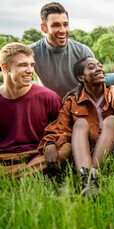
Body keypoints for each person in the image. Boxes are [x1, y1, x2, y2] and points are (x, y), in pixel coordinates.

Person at [37, 57, 114, 196]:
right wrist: (50, 143)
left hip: (112, 147)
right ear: (81, 77)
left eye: (100, 66)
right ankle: (89, 182)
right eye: (91, 67)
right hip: (85, 148)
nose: (99, 69)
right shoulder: (73, 100)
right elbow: (61, 125)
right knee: (80, 123)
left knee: (112, 120)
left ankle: (88, 179)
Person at [29, 2, 114, 105]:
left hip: (80, 107)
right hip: (50, 108)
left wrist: (113, 86)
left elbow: (97, 80)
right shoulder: (31, 52)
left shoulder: (83, 51)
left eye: (65, 24)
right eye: (55, 25)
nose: (62, 30)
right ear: (44, 28)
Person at [0, 42, 63, 176]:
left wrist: (50, 142)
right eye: (23, 65)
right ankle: (29, 174)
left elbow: (64, 129)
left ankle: (12, 176)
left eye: (32, 65)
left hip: (37, 154)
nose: (30, 70)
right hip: (4, 157)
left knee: (66, 148)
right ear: (5, 67)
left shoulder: (48, 96)